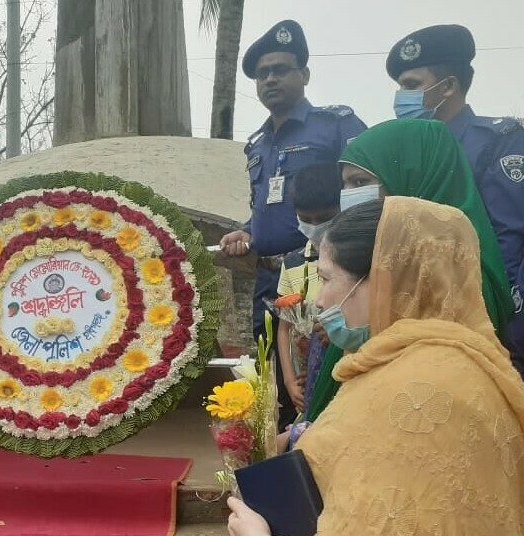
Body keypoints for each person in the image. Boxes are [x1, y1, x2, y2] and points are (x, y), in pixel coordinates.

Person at [227, 196, 524, 536]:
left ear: (382, 279)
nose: (318, 301)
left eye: (327, 279)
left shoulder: (421, 394)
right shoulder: (440, 368)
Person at [306, 119, 516, 422]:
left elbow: (430, 374)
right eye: (345, 184)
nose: (348, 195)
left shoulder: (464, 277)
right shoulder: (388, 257)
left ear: (410, 178)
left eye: (360, 183)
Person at [218, 19, 365, 430]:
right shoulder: (257, 144)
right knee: (277, 389)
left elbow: (366, 189)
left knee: (327, 384)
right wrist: (248, 229)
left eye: (280, 69)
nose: (269, 79)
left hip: (327, 277)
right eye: (262, 73)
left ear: (304, 74)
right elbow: (266, 205)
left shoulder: (334, 125)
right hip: (272, 282)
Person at [387, 23, 524, 374]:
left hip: (484, 324)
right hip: (421, 325)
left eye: (411, 85)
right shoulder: (406, 152)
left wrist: (498, 321)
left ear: (447, 86)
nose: (401, 96)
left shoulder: (497, 141)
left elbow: (508, 241)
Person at [275, 162, 339, 414]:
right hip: (306, 376)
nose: (314, 226)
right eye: (306, 219)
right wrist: (290, 381)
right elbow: (284, 328)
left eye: (324, 219)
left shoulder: (356, 261)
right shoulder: (293, 263)